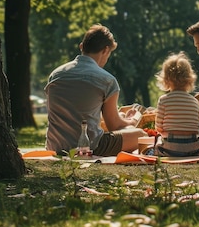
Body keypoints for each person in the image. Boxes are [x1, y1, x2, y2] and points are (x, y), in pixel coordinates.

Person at [44, 24, 147, 156]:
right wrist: (132, 120)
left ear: (82, 46)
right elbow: (114, 126)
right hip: (88, 147)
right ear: (105, 50)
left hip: (55, 146)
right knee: (140, 135)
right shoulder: (107, 80)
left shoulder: (55, 74)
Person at [153, 52, 199, 157]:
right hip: (193, 149)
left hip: (170, 149)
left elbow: (158, 128)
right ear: (190, 78)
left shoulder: (164, 100)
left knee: (153, 146)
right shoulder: (195, 101)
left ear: (165, 79)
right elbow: (196, 128)